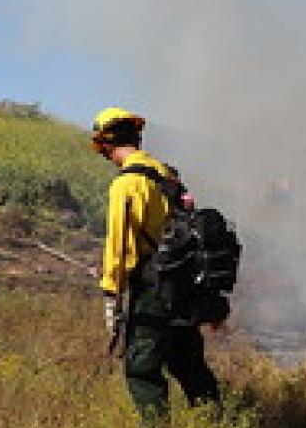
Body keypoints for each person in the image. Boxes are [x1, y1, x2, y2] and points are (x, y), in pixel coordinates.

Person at [91, 107, 219, 421]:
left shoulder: (127, 183)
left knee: (142, 370)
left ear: (106, 143)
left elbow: (121, 249)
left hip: (153, 292)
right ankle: (218, 419)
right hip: (183, 288)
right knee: (190, 367)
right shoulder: (166, 174)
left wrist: (112, 294)